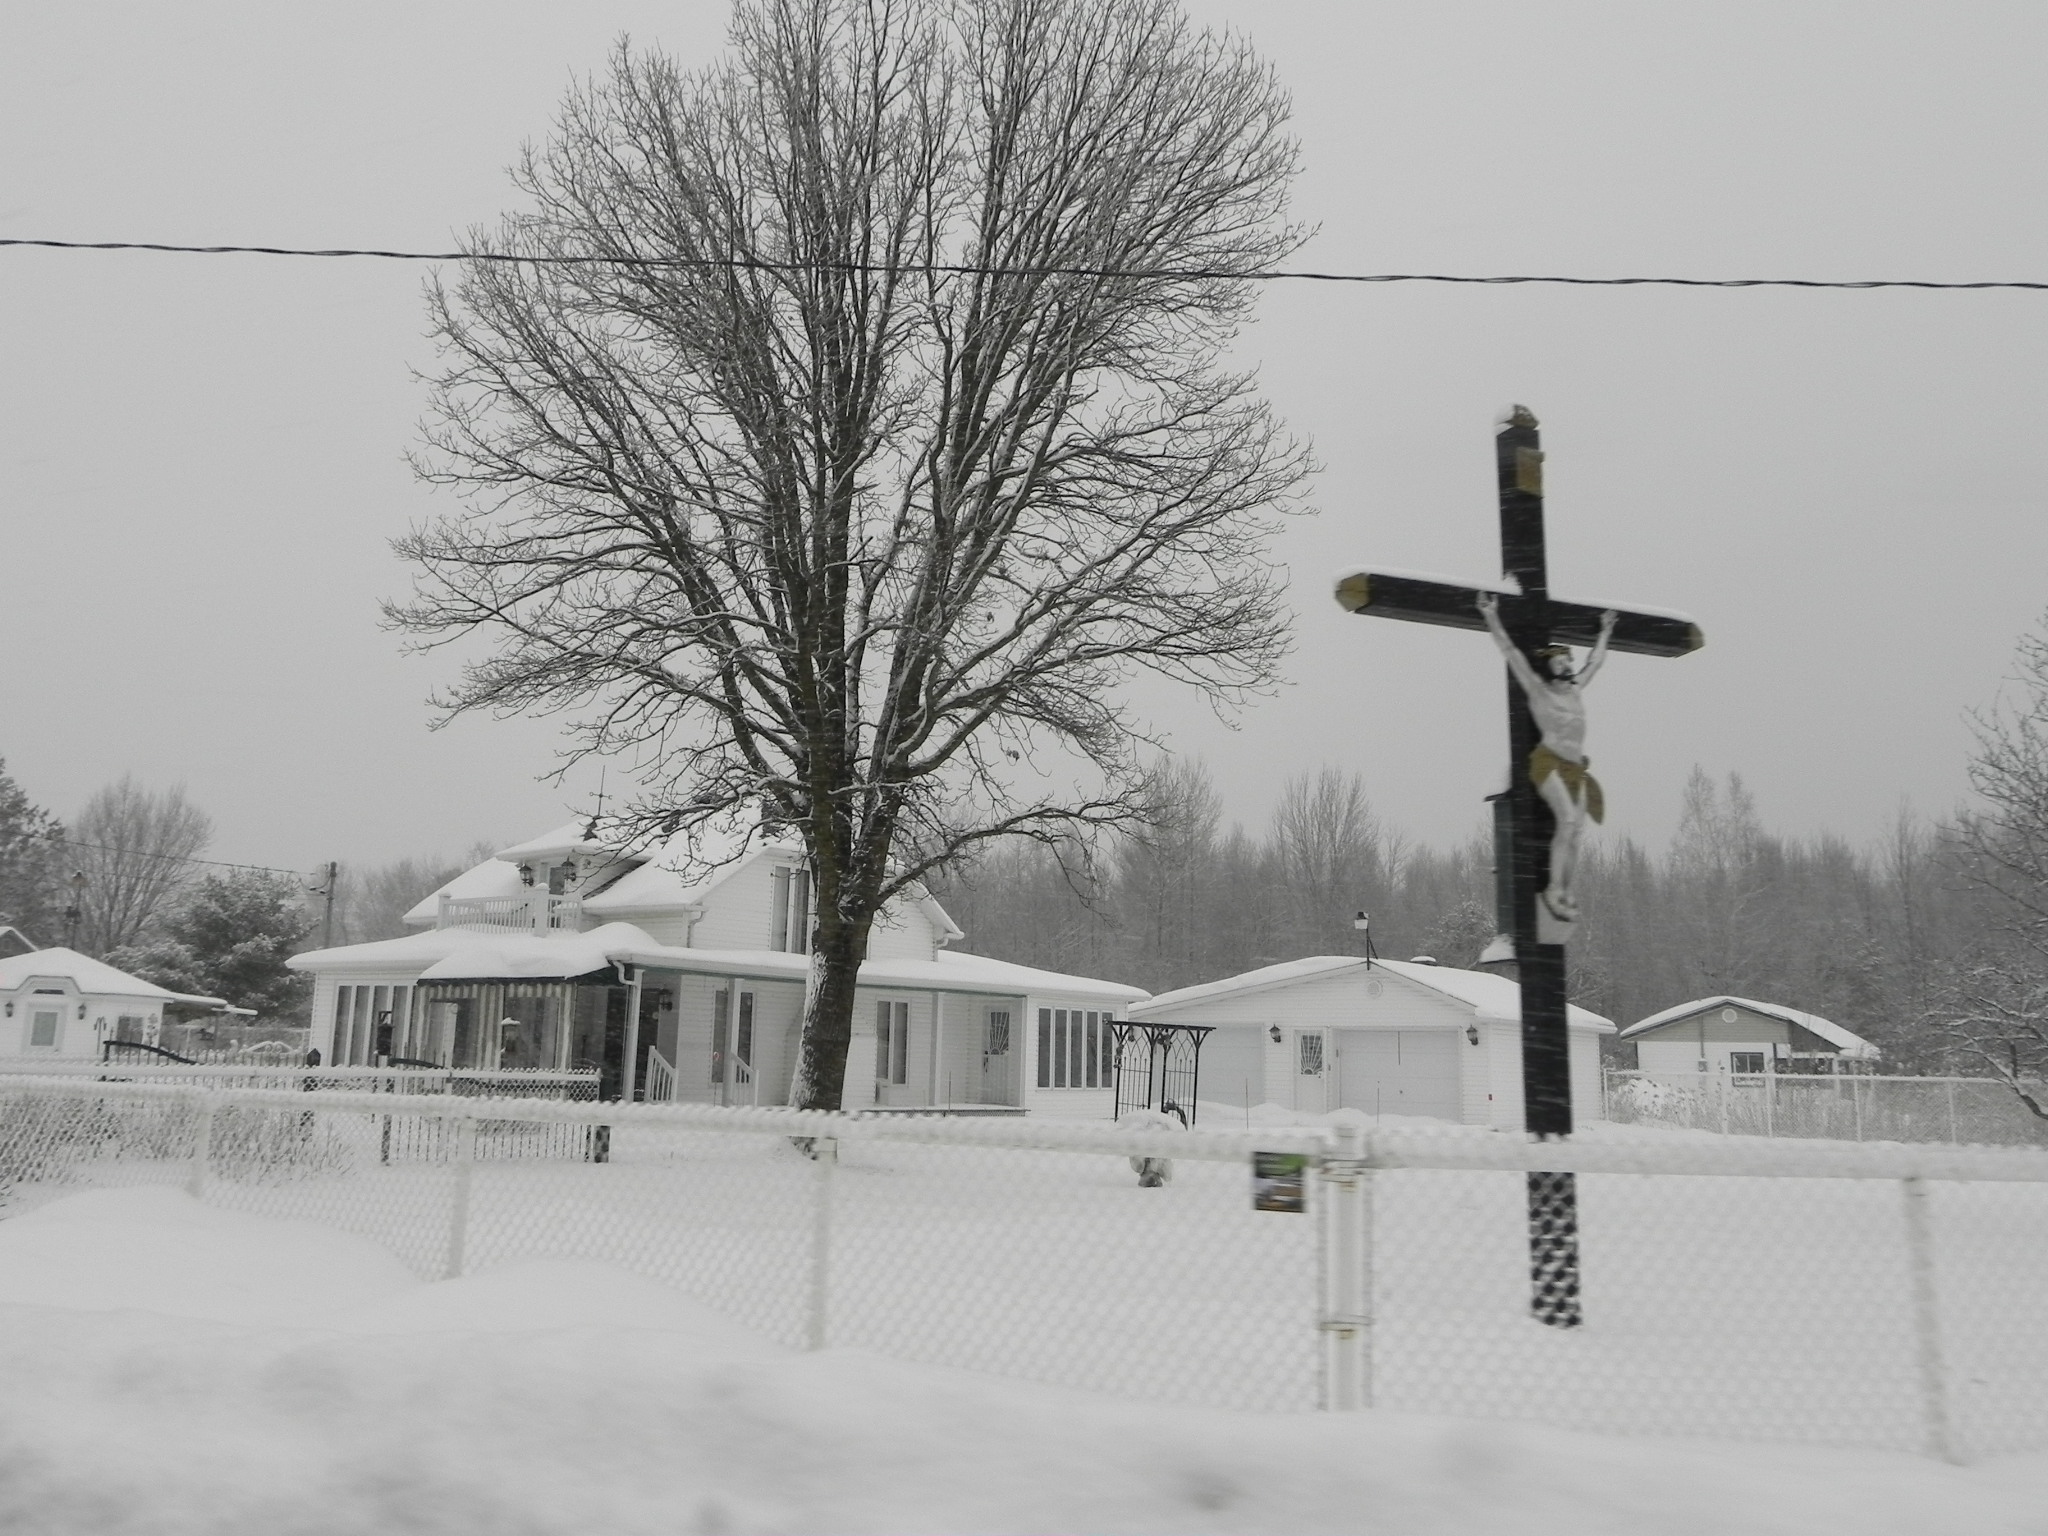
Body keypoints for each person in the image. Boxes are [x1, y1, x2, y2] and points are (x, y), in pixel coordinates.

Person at [1476, 592, 1618, 922]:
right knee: (1566, 821)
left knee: (1576, 831)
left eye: (1568, 660)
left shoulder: (1575, 688)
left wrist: (1606, 631)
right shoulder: (1540, 691)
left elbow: (1595, 662)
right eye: (1559, 661)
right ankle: (1553, 888)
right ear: (1548, 667)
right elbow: (1511, 653)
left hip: (1574, 766)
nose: (1567, 664)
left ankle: (1565, 889)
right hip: (1547, 761)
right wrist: (1491, 616)